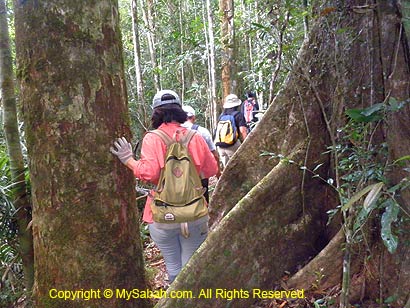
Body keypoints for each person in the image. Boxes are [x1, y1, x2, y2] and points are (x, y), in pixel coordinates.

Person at [110, 90, 218, 283]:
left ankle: (175, 295)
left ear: (156, 112)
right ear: (180, 111)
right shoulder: (195, 136)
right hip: (194, 213)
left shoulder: (153, 138)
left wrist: (128, 160)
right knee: (190, 266)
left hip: (162, 215)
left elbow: (149, 173)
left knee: (174, 267)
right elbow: (211, 170)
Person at [182, 105, 221, 202]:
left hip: (179, 174)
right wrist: (218, 173)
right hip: (200, 174)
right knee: (203, 200)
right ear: (194, 117)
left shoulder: (174, 132)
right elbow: (214, 154)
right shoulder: (202, 131)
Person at [215, 94, 248, 167]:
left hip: (220, 146)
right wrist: (246, 144)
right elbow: (243, 131)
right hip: (232, 145)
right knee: (238, 167)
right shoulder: (239, 115)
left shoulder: (222, 115)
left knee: (226, 169)